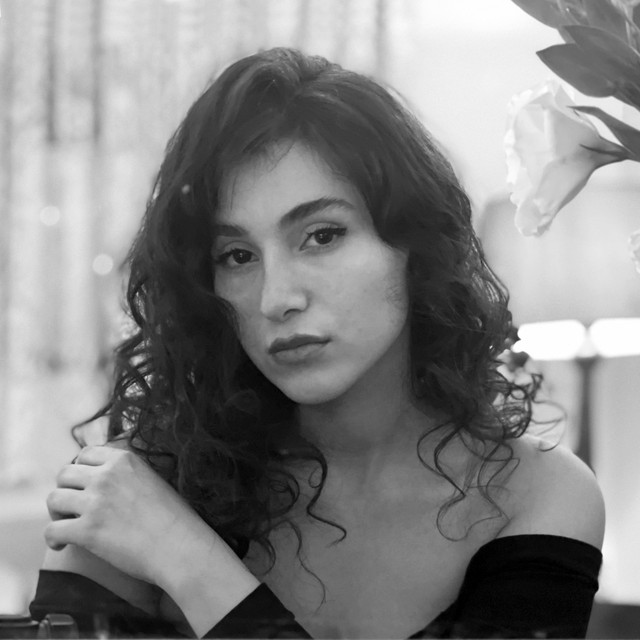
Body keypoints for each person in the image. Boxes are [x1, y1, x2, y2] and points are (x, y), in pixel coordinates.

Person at [30, 47, 604, 639]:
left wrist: (187, 558)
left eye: (322, 236)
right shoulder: (131, 491)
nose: (275, 298)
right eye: (237, 256)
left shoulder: (535, 494)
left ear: (415, 245)